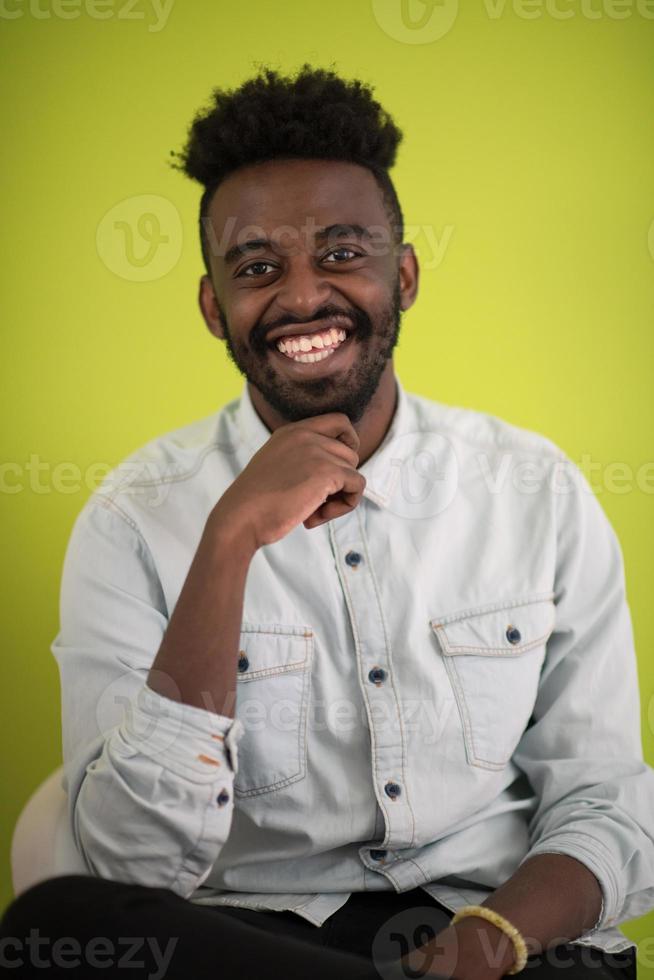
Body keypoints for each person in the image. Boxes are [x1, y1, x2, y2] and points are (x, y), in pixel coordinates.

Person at [1, 63, 651, 980]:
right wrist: (228, 541)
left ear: (406, 275)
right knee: (57, 922)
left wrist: (491, 940)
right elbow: (128, 867)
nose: (304, 298)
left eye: (343, 253)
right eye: (258, 269)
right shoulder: (133, 516)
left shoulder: (534, 490)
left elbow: (606, 799)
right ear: (211, 306)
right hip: (260, 942)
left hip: (507, 934)